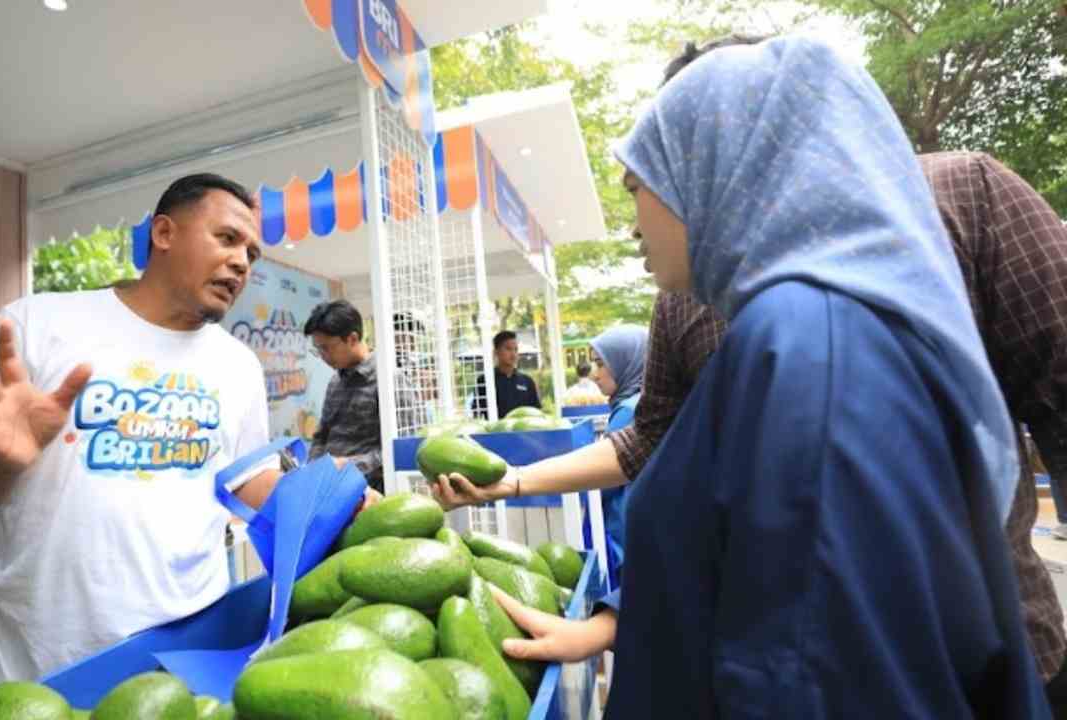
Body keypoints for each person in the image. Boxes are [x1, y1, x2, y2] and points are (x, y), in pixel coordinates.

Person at [434, 36, 1048, 716]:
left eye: (644, 181)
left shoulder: (812, 352)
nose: (634, 219)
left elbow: (813, 661)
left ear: (722, 163)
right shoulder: (769, 324)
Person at [0, 174, 324, 711]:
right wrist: (0, 463)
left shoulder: (238, 365)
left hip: (167, 680)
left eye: (251, 252)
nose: (243, 262)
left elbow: (248, 479)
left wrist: (341, 500)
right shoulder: (41, 323)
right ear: (163, 232)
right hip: (15, 678)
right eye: (226, 239)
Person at [305, 300, 411, 492]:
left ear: (352, 338)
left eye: (326, 348)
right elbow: (322, 434)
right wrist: (313, 467)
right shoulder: (335, 381)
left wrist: (349, 466)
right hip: (331, 490)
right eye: (318, 349)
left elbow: (404, 446)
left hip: (372, 495)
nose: (322, 356)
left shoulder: (389, 379)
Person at [585, 324, 648, 587]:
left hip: (626, 538)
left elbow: (603, 481)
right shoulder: (643, 401)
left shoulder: (627, 412)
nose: (594, 375)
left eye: (601, 364)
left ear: (626, 362)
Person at [471, 330, 540, 419]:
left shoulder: (527, 381)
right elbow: (478, 413)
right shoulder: (485, 380)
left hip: (524, 432)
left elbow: (536, 412)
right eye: (508, 349)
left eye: (516, 349)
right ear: (496, 352)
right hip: (496, 431)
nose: (513, 354)